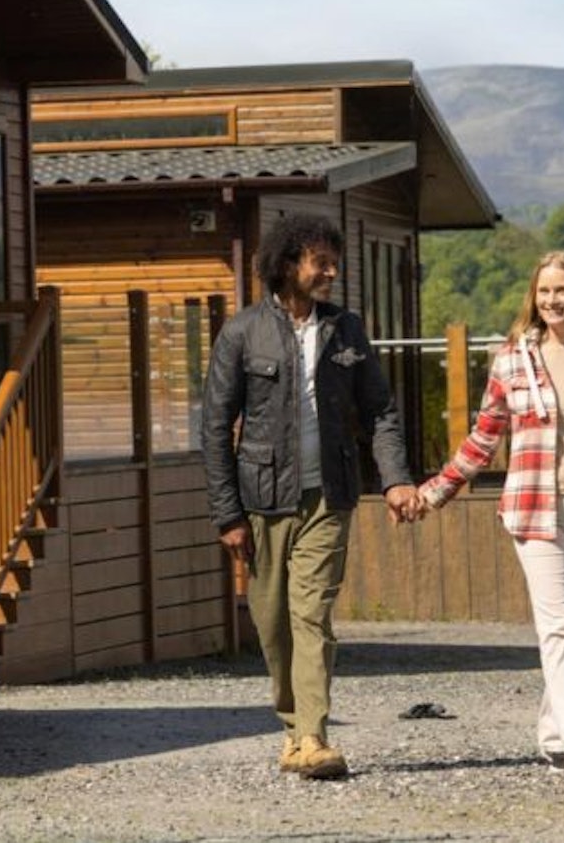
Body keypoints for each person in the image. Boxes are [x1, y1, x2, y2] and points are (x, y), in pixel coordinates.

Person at [412, 249, 564, 782]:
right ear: (533, 298)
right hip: (533, 509)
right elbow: (484, 437)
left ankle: (552, 733)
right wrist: (435, 492)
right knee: (559, 627)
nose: (552, 301)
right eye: (543, 292)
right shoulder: (513, 358)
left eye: (561, 290)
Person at [202, 212, 418, 780]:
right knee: (271, 622)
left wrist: (395, 478)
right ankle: (293, 728)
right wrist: (228, 513)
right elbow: (215, 425)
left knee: (311, 613)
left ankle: (314, 735)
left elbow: (381, 412)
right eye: (320, 261)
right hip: (262, 499)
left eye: (332, 260)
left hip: (330, 495)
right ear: (287, 264)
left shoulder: (346, 331)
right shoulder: (242, 332)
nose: (331, 271)